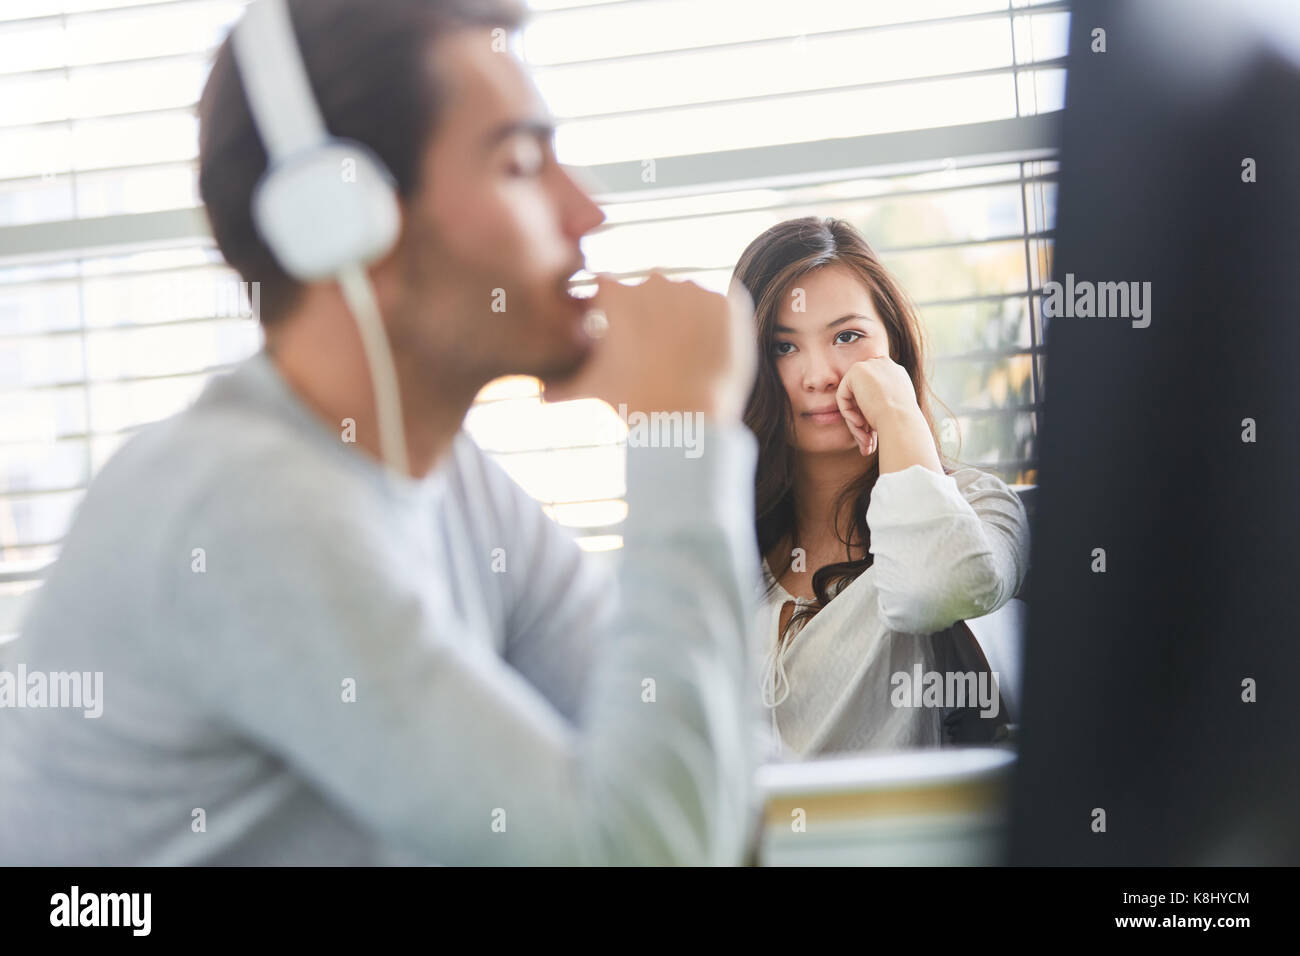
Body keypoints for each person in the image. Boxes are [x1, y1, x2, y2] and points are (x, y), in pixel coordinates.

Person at [0, 0, 762, 865]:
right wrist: (682, 436)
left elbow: (708, 779)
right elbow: (640, 853)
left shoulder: (455, 487)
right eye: (519, 163)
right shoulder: (240, 504)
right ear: (344, 217)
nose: (587, 212)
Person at [733, 217, 1030, 758]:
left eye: (847, 337)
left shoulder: (979, 505)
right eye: (783, 347)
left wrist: (895, 407)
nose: (819, 374)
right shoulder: (726, 535)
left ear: (893, 343)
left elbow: (932, 588)